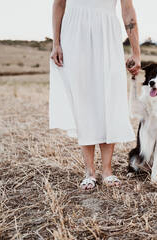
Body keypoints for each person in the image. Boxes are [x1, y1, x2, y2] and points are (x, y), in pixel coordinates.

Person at [49, 0, 141, 191]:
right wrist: (56, 43)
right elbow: (59, 4)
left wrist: (136, 52)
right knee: (83, 100)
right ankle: (89, 171)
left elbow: (127, 10)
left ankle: (107, 170)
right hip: (74, 36)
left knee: (110, 97)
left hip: (107, 36)